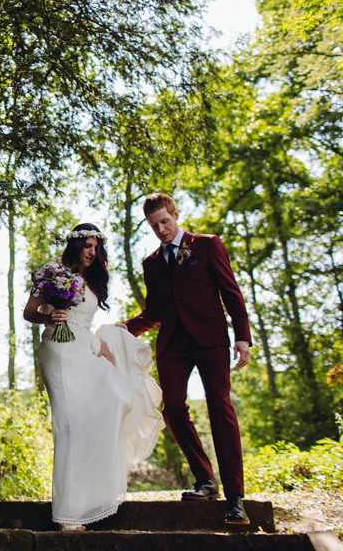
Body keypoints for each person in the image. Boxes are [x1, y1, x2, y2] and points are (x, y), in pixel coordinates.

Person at [121, 193, 252, 525]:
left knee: (219, 406)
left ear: (175, 214)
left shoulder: (207, 245)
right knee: (174, 409)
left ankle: (235, 497)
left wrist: (242, 337)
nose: (162, 229)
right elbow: (154, 312)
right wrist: (121, 329)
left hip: (210, 340)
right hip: (173, 345)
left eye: (165, 221)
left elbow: (231, 292)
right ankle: (205, 479)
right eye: (154, 225)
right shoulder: (151, 263)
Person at [24, 223, 163, 531]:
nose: (92, 252)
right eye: (87, 246)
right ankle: (68, 514)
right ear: (75, 246)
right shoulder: (52, 272)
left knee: (117, 397)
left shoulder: (95, 280)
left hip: (84, 346)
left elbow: (85, 323)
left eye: (96, 248)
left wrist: (102, 346)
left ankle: (93, 495)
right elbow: (29, 312)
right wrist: (49, 316)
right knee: (70, 425)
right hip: (58, 351)